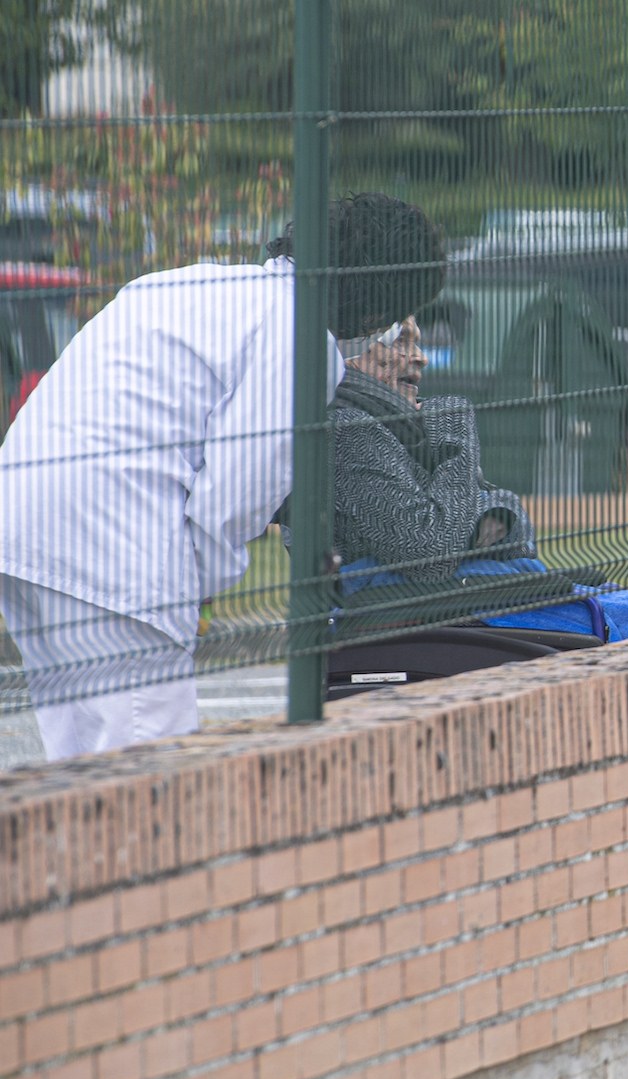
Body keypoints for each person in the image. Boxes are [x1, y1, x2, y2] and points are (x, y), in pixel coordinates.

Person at [0, 192, 446, 760]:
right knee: (149, 768)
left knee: (77, 760)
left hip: (23, 522)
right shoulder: (299, 339)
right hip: (113, 545)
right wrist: (191, 589)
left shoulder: (200, 282)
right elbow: (235, 498)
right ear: (375, 303)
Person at [326, 316, 628, 642]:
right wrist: (454, 428)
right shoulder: (350, 429)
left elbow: (516, 530)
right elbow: (431, 553)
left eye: (416, 343)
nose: (420, 357)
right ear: (351, 353)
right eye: (401, 342)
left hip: (480, 593)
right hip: (443, 606)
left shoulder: (401, 427)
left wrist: (489, 515)